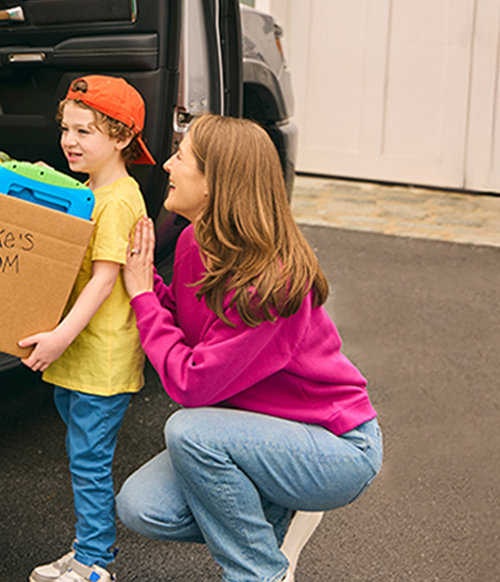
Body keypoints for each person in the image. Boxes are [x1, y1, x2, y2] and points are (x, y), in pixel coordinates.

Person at [113, 115, 384, 582]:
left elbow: (191, 384)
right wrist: (141, 276)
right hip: (254, 433)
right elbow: (178, 322)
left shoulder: (270, 283)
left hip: (336, 446)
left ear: (214, 182)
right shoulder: (194, 241)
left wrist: (140, 296)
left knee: (190, 431)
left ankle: (260, 572)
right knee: (142, 507)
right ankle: (279, 513)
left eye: (181, 156)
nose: (168, 164)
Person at [16, 75, 157, 582]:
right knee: (82, 456)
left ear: (121, 138)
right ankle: (84, 550)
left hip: (100, 358)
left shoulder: (119, 199)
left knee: (89, 462)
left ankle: (95, 562)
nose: (70, 142)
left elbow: (103, 281)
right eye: (67, 129)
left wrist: (57, 338)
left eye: (86, 132)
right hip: (80, 356)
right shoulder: (87, 191)